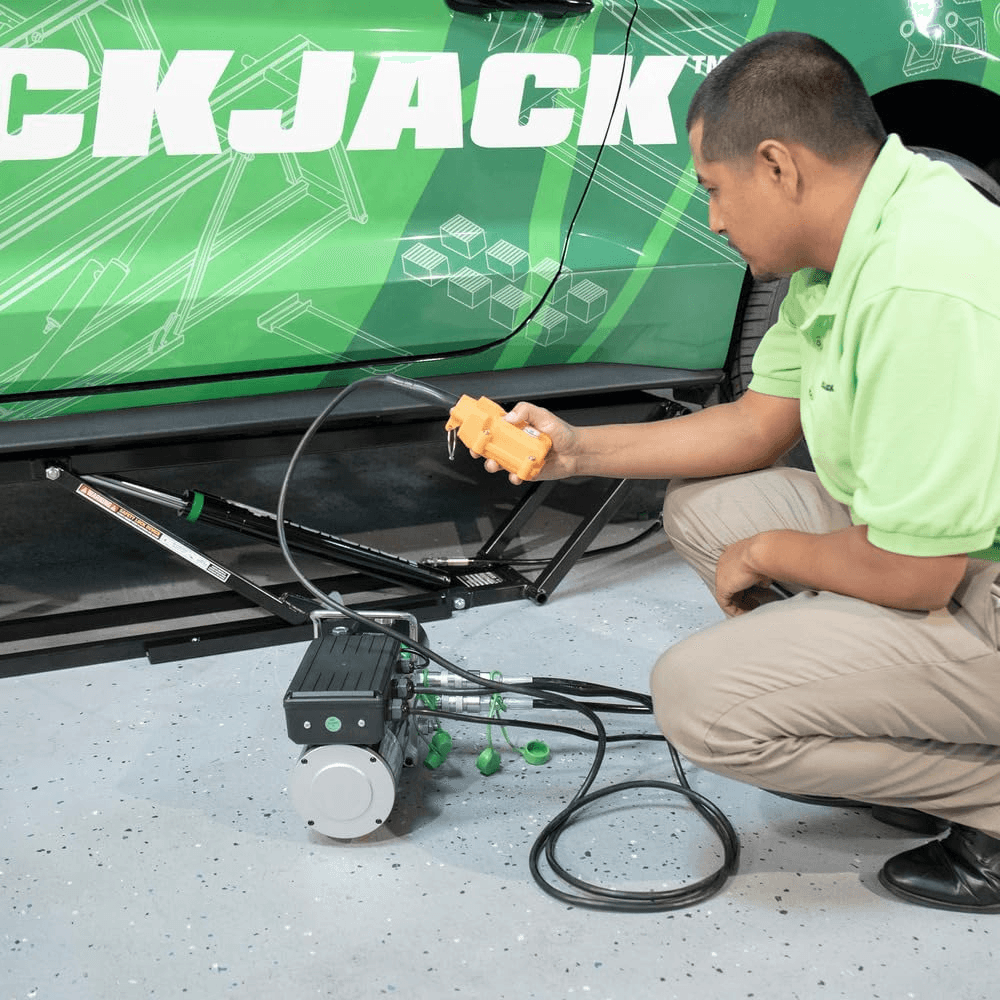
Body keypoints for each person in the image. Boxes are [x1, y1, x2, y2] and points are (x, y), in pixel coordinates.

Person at [467, 32, 1000, 912]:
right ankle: (908, 720)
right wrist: (575, 451)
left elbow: (916, 572)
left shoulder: (922, 287)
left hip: (967, 581)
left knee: (699, 700)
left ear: (779, 166)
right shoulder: (862, 234)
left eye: (715, 189)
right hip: (957, 556)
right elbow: (756, 425)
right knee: (709, 510)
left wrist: (770, 554)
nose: (713, 219)